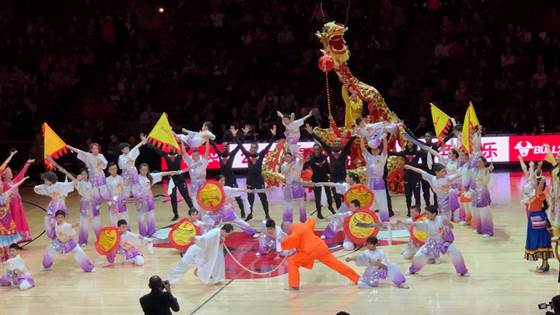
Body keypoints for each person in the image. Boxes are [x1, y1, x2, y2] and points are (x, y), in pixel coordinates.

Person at [281, 218, 360, 290]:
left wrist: (283, 241)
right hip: (321, 248)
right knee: (337, 265)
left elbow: (293, 238)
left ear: (287, 228)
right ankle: (356, 278)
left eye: (285, 231)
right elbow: (312, 222)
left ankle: (294, 285)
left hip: (310, 251)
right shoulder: (304, 225)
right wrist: (309, 218)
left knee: (292, 261)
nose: (287, 233)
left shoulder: (295, 230)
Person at [407, 206, 469, 277]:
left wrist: (448, 224)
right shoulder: (426, 222)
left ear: (434, 214)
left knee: (456, 252)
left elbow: (452, 227)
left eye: (428, 214)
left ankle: (463, 271)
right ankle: (411, 270)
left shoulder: (441, 219)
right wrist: (402, 223)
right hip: (431, 243)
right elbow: (415, 224)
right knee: (419, 255)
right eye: (426, 214)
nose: (426, 215)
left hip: (444, 243)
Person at [307, 124, 356, 209]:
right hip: (333, 177)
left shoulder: (344, 151)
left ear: (341, 144)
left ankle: (347, 212)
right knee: (336, 196)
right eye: (335, 142)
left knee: (345, 196)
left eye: (338, 142)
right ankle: (339, 212)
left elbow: (350, 141)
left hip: (343, 176)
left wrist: (355, 132)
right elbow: (322, 141)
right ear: (332, 144)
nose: (336, 143)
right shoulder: (329, 150)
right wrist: (312, 133)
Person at [166, 224, 234, 285]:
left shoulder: (219, 233)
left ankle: (218, 279)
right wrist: (195, 238)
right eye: (228, 234)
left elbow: (214, 246)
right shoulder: (214, 234)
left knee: (218, 260)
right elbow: (204, 239)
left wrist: (220, 240)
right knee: (183, 265)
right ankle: (169, 280)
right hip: (195, 252)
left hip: (203, 254)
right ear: (224, 230)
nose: (228, 236)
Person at [236, 125, 277, 221]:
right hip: (250, 180)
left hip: (259, 180)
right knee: (250, 198)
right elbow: (239, 145)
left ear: (257, 148)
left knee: (263, 198)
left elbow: (269, 145)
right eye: (251, 147)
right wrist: (243, 135)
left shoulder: (261, 154)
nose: (252, 149)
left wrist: (273, 136)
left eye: (254, 147)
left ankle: (267, 215)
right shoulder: (247, 154)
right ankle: (250, 214)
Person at [316, 173, 361, 250]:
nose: (345, 178)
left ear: (351, 179)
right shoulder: (345, 186)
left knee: (353, 224)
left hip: (356, 209)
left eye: (347, 176)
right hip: (345, 207)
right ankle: (327, 233)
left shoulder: (359, 188)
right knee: (336, 220)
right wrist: (322, 183)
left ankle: (355, 237)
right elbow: (333, 184)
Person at [148, 145, 194, 220]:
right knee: (173, 198)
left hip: (180, 178)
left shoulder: (179, 155)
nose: (171, 148)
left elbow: (188, 147)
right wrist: (147, 143)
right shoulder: (165, 155)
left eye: (173, 146)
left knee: (186, 196)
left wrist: (180, 140)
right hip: (171, 180)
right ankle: (176, 215)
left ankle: (193, 211)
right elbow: (156, 149)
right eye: (170, 146)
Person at [211, 127, 247, 217]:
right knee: (221, 196)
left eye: (226, 147)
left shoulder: (231, 154)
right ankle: (220, 212)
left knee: (237, 195)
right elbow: (213, 144)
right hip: (223, 180)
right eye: (223, 146)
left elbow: (240, 145)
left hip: (231, 179)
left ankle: (242, 210)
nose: (224, 148)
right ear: (222, 147)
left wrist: (243, 135)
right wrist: (208, 134)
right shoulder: (219, 154)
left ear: (228, 148)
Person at [137, 164, 180, 236]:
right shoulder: (137, 178)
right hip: (140, 200)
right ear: (140, 170)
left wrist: (171, 172)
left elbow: (161, 174)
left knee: (150, 215)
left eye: (146, 170)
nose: (144, 171)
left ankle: (151, 231)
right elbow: (134, 189)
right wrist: (137, 198)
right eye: (143, 170)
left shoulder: (150, 176)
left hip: (149, 198)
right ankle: (143, 233)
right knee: (141, 217)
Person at [66, 143, 111, 212]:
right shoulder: (88, 156)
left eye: (97, 148)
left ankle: (111, 205)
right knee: (95, 193)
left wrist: (100, 163)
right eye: (94, 149)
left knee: (104, 192)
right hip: (92, 176)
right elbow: (79, 151)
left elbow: (105, 165)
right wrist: (70, 147)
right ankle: (96, 207)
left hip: (100, 176)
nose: (95, 150)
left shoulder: (101, 156)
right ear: (91, 150)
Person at [33, 171, 75, 239]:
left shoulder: (59, 185)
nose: (45, 182)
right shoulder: (46, 186)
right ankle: (54, 236)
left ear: (50, 180)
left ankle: (62, 235)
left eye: (46, 180)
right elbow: (39, 187)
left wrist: (77, 180)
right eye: (44, 180)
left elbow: (69, 185)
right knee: (47, 219)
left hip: (60, 204)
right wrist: (36, 188)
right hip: (53, 204)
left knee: (56, 221)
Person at [525, 177, 553, 273]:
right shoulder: (534, 195)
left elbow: (540, 186)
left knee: (542, 241)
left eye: (536, 183)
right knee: (538, 242)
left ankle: (545, 264)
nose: (533, 183)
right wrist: (533, 167)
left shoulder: (540, 194)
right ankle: (544, 264)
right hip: (534, 220)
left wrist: (543, 181)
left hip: (538, 220)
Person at [2, 158, 33, 242]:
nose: (11, 174)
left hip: (18, 205)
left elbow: (21, 174)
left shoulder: (13, 181)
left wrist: (27, 164)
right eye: (8, 173)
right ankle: (13, 239)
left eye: (11, 172)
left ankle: (21, 238)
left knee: (20, 219)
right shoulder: (3, 184)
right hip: (10, 206)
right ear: (4, 175)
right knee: (13, 221)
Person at [360, 134, 390, 222]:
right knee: (369, 204)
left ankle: (385, 221)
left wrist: (384, 136)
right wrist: (362, 136)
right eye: (373, 149)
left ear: (379, 150)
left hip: (380, 185)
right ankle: (368, 221)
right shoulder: (369, 158)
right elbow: (363, 148)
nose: (374, 150)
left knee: (383, 204)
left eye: (376, 149)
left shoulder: (382, 158)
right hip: (370, 185)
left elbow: (385, 148)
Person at [302, 139, 335, 219]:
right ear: (313, 150)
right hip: (316, 180)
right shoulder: (311, 158)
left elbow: (327, 167)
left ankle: (330, 206)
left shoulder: (324, 157)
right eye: (315, 149)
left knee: (329, 196)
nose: (316, 150)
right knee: (318, 197)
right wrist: (306, 162)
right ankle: (319, 213)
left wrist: (331, 175)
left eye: (318, 149)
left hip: (324, 178)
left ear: (320, 150)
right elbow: (304, 168)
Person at [388, 143, 422, 216]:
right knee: (408, 196)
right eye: (408, 142)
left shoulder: (418, 152)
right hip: (407, 178)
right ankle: (409, 212)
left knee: (417, 196)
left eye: (411, 142)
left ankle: (418, 212)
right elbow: (394, 153)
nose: (409, 144)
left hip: (416, 177)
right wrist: (384, 150)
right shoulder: (404, 152)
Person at [0, 180, 28, 260]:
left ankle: (7, 253)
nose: (1, 186)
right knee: (1, 237)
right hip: (1, 219)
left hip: (7, 218)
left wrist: (23, 179)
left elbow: (14, 186)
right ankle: (3, 254)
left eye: (1, 184)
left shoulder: (5, 194)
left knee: (8, 237)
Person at [118, 135, 148, 203]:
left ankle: (138, 198)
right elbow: (121, 166)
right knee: (126, 187)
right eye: (125, 148)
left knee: (135, 186)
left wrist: (143, 141)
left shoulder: (131, 153)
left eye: (128, 148)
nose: (127, 149)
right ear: (122, 150)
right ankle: (124, 199)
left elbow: (136, 147)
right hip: (126, 174)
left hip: (133, 172)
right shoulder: (121, 157)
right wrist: (127, 161)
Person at [182, 140, 210, 210]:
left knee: (207, 205)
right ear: (192, 156)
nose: (195, 156)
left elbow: (207, 150)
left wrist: (207, 139)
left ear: (199, 155)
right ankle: (197, 218)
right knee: (195, 205)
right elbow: (184, 152)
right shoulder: (190, 162)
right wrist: (182, 141)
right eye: (193, 155)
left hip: (203, 187)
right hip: (194, 187)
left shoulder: (203, 162)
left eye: (196, 155)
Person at [281, 151, 307, 223]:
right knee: (288, 205)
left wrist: (296, 154)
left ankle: (303, 220)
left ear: (292, 157)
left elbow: (302, 160)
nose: (287, 158)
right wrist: (291, 164)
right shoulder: (283, 165)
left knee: (301, 203)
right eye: (286, 157)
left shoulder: (297, 163)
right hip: (288, 186)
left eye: (289, 157)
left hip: (297, 186)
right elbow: (285, 171)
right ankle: (288, 221)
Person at [470, 155, 493, 237]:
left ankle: (487, 231)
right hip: (476, 193)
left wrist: (487, 170)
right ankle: (479, 229)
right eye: (477, 162)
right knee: (478, 213)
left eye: (480, 162)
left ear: (484, 163)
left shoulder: (486, 171)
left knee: (484, 212)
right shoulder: (476, 171)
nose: (478, 163)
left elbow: (486, 182)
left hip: (483, 192)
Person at [106, 162, 129, 226]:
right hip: (113, 202)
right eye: (112, 169)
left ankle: (125, 233)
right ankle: (115, 234)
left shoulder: (121, 178)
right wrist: (110, 204)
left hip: (121, 200)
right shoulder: (107, 180)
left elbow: (124, 190)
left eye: (115, 168)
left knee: (124, 218)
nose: (114, 170)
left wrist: (125, 199)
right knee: (114, 219)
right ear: (109, 170)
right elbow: (107, 193)